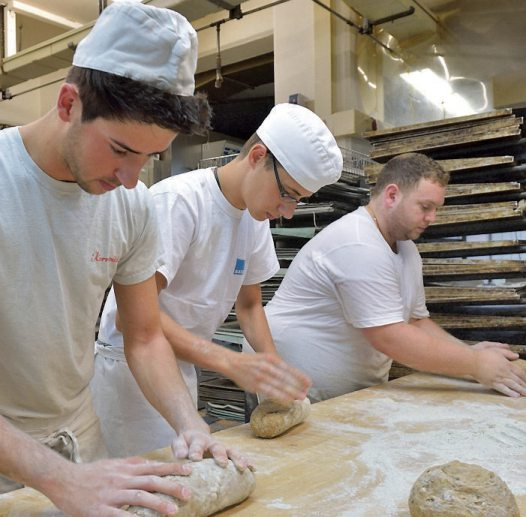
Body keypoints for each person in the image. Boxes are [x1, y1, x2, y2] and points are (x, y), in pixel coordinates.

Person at [0, 3, 249, 515]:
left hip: (79, 443)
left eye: (149, 157)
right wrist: (55, 478)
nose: (131, 177)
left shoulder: (131, 204)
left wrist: (189, 422)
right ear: (69, 102)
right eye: (119, 150)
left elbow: (144, 334)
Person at [92, 102, 344, 457]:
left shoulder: (254, 219)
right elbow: (132, 317)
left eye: (298, 202)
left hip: (184, 366)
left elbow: (250, 305)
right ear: (257, 156)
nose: (287, 211)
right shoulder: (179, 203)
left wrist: (273, 370)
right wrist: (228, 362)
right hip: (130, 374)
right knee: (145, 493)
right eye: (288, 194)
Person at [252, 152, 526, 402]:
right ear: (392, 195)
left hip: (347, 395)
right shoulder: (357, 243)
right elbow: (389, 337)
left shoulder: (406, 249)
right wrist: (476, 365)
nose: (432, 217)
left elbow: (416, 322)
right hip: (294, 387)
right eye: (425, 206)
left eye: (436, 209)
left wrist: (470, 355)